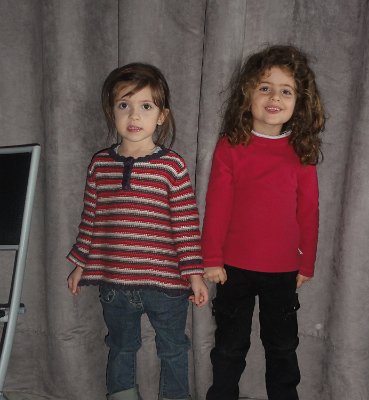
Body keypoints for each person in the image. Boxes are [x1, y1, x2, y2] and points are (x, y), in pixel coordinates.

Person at [66, 62, 208, 400]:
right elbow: (91, 218)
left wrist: (195, 275)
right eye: (124, 105)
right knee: (120, 347)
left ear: (161, 116)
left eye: (145, 106)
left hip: (167, 285)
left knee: (173, 348)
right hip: (115, 283)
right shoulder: (100, 164)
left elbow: (186, 224)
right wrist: (81, 263)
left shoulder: (171, 166)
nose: (134, 115)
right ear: (112, 111)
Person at [202, 45, 326, 400]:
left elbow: (309, 212)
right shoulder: (230, 146)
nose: (274, 98)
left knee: (282, 348)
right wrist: (211, 258)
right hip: (232, 268)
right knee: (229, 348)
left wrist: (307, 263)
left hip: (283, 271)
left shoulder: (301, 152)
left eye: (286, 91)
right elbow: (217, 206)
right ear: (247, 95)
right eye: (265, 88)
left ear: (299, 103)